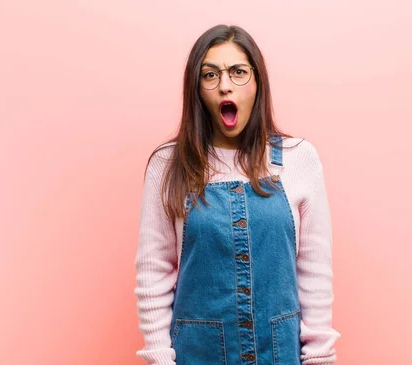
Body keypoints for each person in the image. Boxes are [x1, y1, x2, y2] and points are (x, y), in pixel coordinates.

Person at [135, 24, 340, 365]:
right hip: (197, 355)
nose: (225, 85)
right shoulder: (169, 164)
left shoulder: (299, 159)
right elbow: (153, 271)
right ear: (196, 88)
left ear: (258, 82)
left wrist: (319, 358)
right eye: (210, 74)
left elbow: (314, 271)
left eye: (238, 72)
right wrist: (159, 359)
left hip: (279, 354)